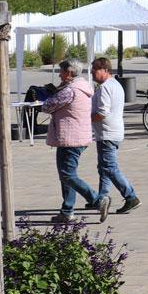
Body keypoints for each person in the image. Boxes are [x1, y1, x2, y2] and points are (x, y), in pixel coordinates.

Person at [39, 59, 107, 222]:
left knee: (67, 174)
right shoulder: (82, 86)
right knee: (67, 174)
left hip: (70, 137)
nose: (60, 75)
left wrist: (48, 95)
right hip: (79, 136)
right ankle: (67, 210)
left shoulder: (70, 90)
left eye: (61, 72)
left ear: (69, 72)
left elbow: (47, 106)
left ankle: (98, 200)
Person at [90, 57, 140, 214]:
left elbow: (102, 112)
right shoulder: (115, 84)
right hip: (113, 132)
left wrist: (87, 119)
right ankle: (101, 198)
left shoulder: (105, 87)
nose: (92, 73)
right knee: (104, 167)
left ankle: (131, 196)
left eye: (95, 70)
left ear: (105, 70)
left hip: (108, 133)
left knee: (110, 168)